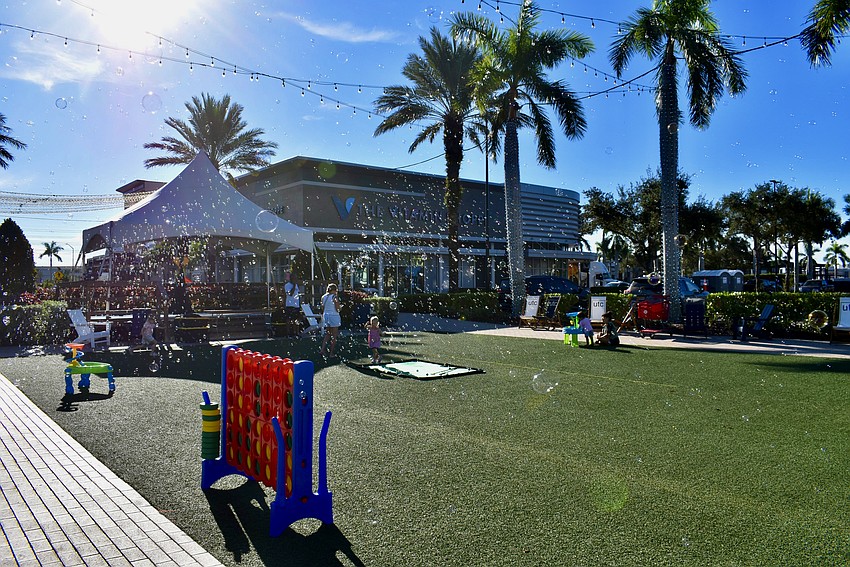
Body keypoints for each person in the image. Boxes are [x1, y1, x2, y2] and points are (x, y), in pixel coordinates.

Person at [319, 283, 342, 357]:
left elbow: (322, 308)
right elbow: (337, 309)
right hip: (334, 316)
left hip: (326, 316)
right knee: (334, 336)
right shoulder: (334, 297)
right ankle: (331, 353)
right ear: (335, 290)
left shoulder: (323, 297)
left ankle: (322, 349)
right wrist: (341, 307)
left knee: (328, 334)